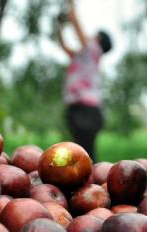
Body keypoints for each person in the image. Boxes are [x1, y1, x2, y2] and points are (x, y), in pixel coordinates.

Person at [56, 0, 112, 162]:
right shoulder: (83, 54)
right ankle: (89, 184)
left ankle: (92, 185)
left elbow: (76, 23)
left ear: (99, 41)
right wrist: (59, 26)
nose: (90, 35)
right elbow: (64, 46)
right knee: (82, 152)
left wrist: (71, 4)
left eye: (95, 35)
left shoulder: (93, 49)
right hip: (80, 108)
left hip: (86, 110)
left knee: (84, 154)